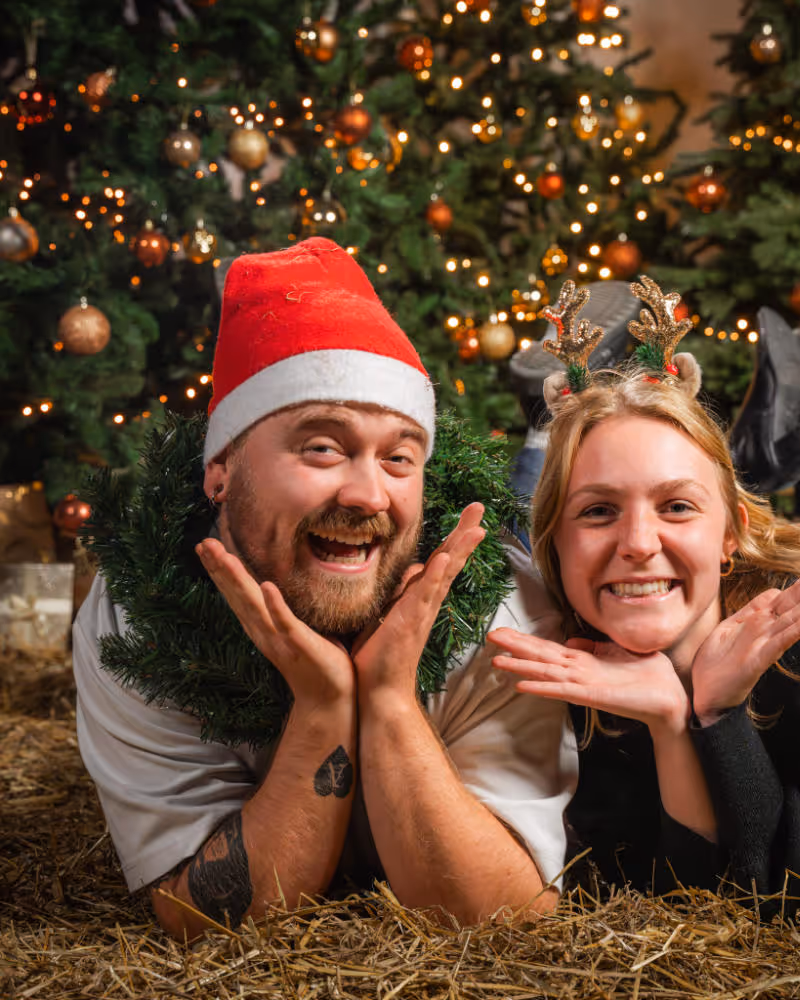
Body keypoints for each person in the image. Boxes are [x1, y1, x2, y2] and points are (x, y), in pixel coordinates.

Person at [72, 237, 577, 941]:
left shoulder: (503, 613)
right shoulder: (140, 614)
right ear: (220, 468)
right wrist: (324, 708)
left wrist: (391, 701)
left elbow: (504, 915)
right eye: (323, 447)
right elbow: (199, 916)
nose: (369, 494)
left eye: (399, 457)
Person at [488, 278, 800, 927]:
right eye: (599, 510)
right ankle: (797, 433)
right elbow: (678, 880)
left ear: (730, 538)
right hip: (713, 574)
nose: (637, 543)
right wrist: (673, 722)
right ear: (554, 548)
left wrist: (717, 712)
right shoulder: (562, 648)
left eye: (676, 505)